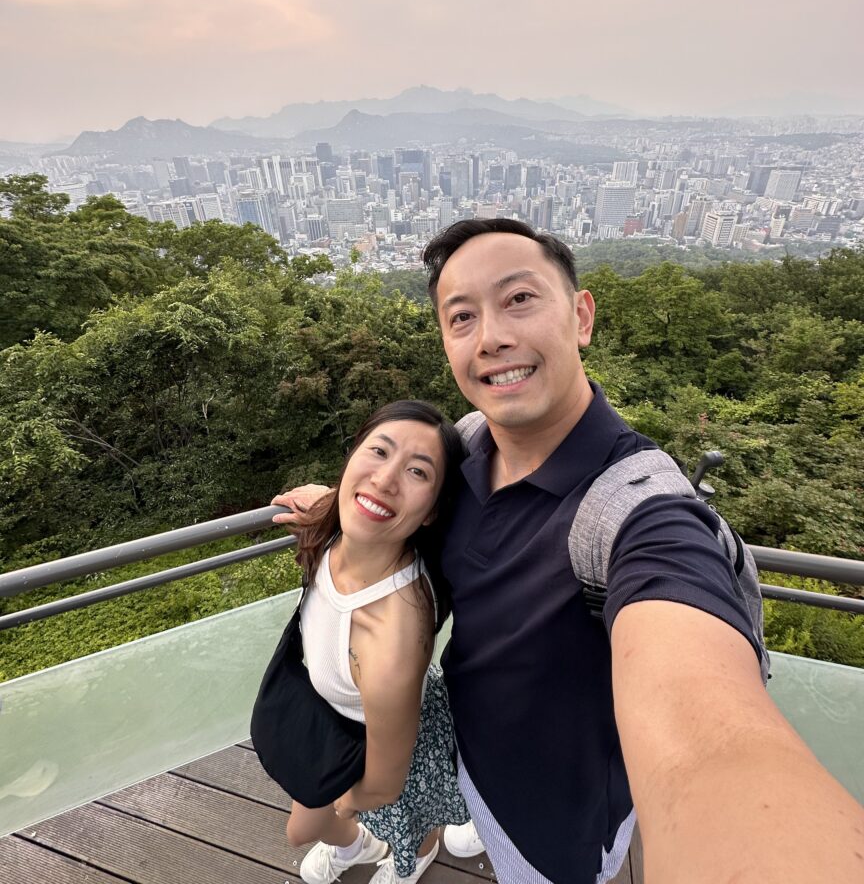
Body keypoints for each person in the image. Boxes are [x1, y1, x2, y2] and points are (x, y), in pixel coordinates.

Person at [278, 219, 864, 884]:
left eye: (519, 299)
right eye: (462, 316)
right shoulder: (466, 444)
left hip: (555, 826)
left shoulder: (635, 512)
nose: (491, 336)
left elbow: (712, 745)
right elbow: (414, 518)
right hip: (473, 755)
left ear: (581, 317)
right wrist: (337, 506)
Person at [270, 400, 470, 884]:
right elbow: (362, 497)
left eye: (417, 472)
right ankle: (358, 846)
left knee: (401, 825)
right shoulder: (340, 530)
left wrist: (347, 802)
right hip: (340, 718)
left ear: (432, 511)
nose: (383, 480)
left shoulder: (387, 643)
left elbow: (384, 784)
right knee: (308, 827)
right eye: (378, 451)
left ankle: (413, 858)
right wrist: (330, 501)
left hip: (385, 745)